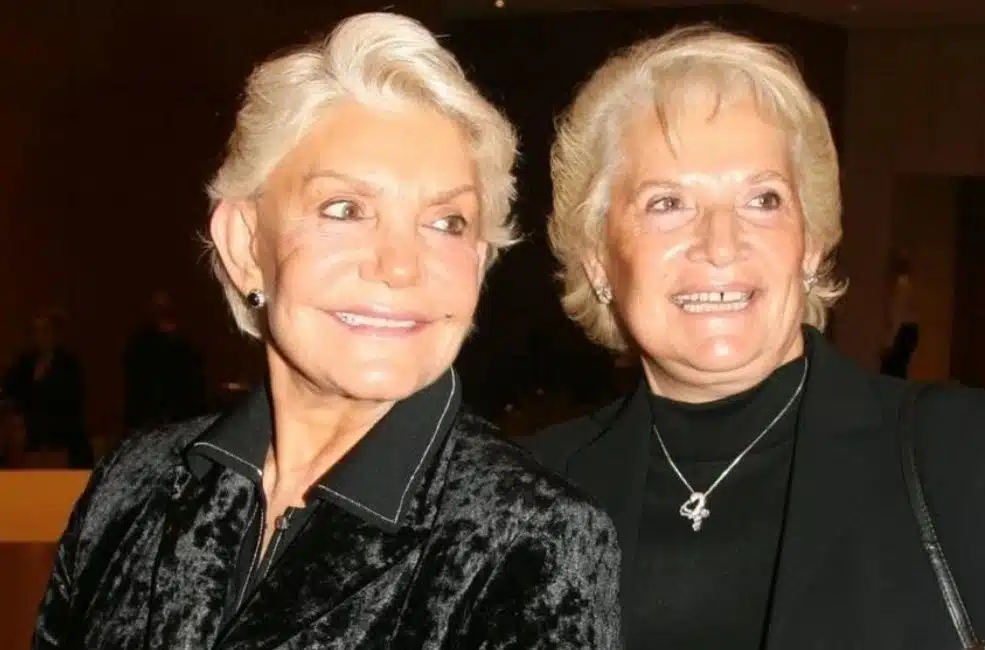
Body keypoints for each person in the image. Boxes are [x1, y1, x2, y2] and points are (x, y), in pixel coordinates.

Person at [32, 13, 619, 649]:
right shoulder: (134, 484)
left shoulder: (529, 540)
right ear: (246, 244)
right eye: (345, 209)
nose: (401, 265)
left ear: (478, 262)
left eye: (447, 222)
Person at [523, 24, 985, 650]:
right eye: (667, 203)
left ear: (810, 244)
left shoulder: (972, 461)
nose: (721, 244)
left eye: (762, 200)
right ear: (600, 260)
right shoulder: (528, 489)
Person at [2, 311, 92, 468]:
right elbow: (10, 391)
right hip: (30, 441)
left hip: (59, 441)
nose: (39, 337)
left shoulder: (68, 366)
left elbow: (70, 408)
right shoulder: (25, 364)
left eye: (45, 331)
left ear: (56, 335)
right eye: (35, 331)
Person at [123, 290, 207, 430]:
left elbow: (194, 385)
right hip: (155, 422)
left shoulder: (185, 345)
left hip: (184, 419)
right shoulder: (141, 347)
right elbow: (139, 389)